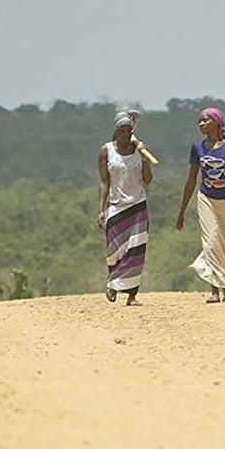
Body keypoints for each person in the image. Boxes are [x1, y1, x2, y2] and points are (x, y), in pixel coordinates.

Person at [177, 107, 225, 303]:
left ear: (217, 122)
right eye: (199, 121)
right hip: (206, 198)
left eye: (205, 120)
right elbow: (191, 181)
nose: (201, 124)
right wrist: (182, 211)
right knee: (212, 241)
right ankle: (214, 290)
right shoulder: (197, 148)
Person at [97, 110, 154, 306]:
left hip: (137, 205)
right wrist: (101, 209)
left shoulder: (140, 150)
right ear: (116, 131)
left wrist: (146, 161)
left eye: (128, 130)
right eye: (121, 130)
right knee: (115, 250)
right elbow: (104, 182)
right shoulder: (107, 151)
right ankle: (113, 283)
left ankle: (132, 295)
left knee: (136, 250)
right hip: (115, 205)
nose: (125, 134)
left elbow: (147, 179)